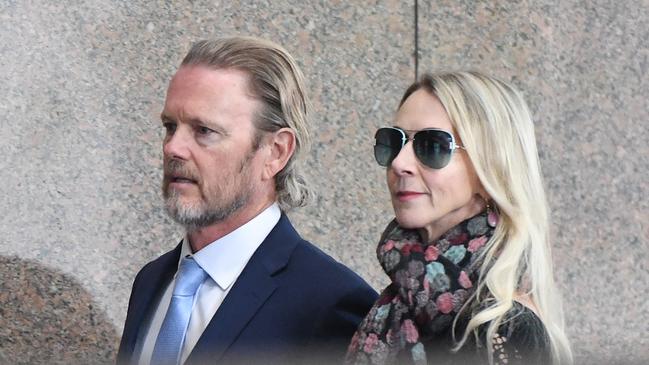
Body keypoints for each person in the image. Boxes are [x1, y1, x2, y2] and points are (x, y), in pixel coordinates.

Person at [117, 36, 377, 365]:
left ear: (275, 152)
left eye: (204, 130)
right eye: (170, 126)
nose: (173, 148)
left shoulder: (330, 305)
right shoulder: (151, 281)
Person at [345, 71, 573, 365]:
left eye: (433, 146)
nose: (400, 163)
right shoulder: (406, 298)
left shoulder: (504, 332)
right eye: (394, 141)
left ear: (490, 166)